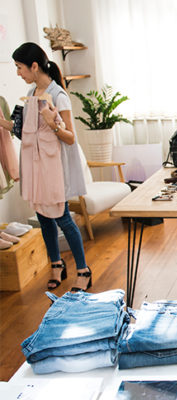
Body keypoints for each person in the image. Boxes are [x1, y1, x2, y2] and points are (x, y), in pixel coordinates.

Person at [11, 42, 91, 292]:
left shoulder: (58, 96)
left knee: (63, 219)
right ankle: (57, 264)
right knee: (44, 218)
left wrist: (52, 123)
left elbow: (69, 137)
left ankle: (83, 270)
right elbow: (25, 131)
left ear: (34, 66)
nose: (18, 73)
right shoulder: (33, 94)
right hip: (37, 168)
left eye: (20, 67)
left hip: (55, 169)